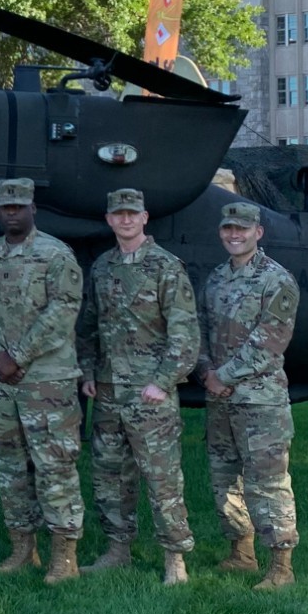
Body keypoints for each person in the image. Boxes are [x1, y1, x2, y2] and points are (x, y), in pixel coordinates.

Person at [0, 177, 87, 583]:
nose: (12, 212)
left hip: (47, 381)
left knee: (55, 465)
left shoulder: (56, 255)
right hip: (3, 383)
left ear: (33, 208)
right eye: (5, 207)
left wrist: (16, 356)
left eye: (19, 206)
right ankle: (22, 548)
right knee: (9, 466)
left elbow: (62, 312)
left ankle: (64, 556)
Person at [80, 187, 200, 585]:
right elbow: (90, 327)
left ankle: (174, 559)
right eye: (119, 214)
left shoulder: (166, 267)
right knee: (110, 476)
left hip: (150, 393)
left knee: (162, 478)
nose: (126, 220)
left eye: (133, 213)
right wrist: (87, 372)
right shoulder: (102, 267)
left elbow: (184, 334)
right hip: (109, 390)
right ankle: (118, 550)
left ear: (145, 217)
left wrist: (163, 382)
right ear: (110, 219)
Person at [199, 201, 302, 591]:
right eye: (228, 228)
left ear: (258, 232)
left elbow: (270, 342)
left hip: (260, 401)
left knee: (267, 481)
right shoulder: (216, 279)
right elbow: (202, 331)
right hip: (220, 398)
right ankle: (241, 552)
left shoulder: (276, 280)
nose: (234, 234)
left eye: (242, 229)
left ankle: (281, 566)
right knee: (224, 478)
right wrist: (208, 372)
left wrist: (222, 375)